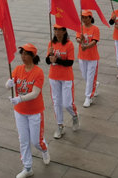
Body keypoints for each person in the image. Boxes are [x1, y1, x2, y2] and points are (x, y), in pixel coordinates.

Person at [5, 43, 50, 178]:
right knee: (23, 140)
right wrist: (9, 84)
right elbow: (8, 83)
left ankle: (44, 149)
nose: (23, 56)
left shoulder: (38, 72)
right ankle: (28, 167)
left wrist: (20, 98)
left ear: (33, 56)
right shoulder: (18, 69)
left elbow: (35, 93)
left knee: (36, 141)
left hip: (35, 111)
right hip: (20, 111)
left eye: (26, 54)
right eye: (22, 54)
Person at [45, 25, 79, 139]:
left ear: (64, 31)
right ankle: (60, 125)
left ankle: (74, 115)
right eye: (55, 30)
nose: (57, 32)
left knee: (67, 104)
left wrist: (57, 60)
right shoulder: (51, 43)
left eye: (59, 30)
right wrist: (50, 56)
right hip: (54, 77)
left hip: (66, 77)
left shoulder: (69, 44)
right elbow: (47, 61)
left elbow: (70, 63)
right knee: (57, 102)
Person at [76, 11, 100, 107]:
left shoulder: (95, 29)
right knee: (85, 76)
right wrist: (81, 39)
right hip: (82, 56)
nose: (84, 19)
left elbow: (94, 41)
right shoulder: (80, 28)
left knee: (90, 77)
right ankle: (95, 84)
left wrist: (86, 47)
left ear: (90, 18)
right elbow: (77, 39)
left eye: (86, 17)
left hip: (92, 57)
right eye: (83, 17)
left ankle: (88, 97)